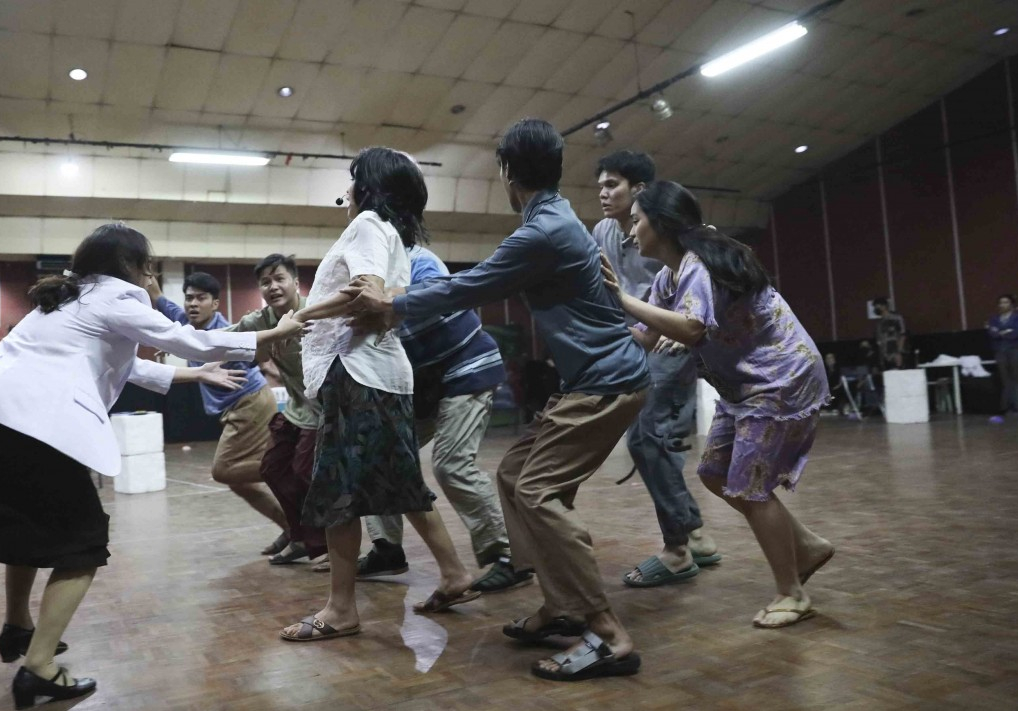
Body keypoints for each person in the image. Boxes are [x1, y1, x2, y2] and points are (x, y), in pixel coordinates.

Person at [0, 223, 303, 708]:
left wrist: (198, 373)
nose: (152, 274)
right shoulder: (117, 297)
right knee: (82, 544)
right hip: (32, 420)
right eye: (148, 265)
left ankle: (18, 628)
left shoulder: (71, 298)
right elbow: (185, 338)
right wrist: (276, 332)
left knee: (24, 525)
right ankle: (40, 668)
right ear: (133, 266)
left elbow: (128, 365)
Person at [345, 120, 651, 682]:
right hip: (592, 381)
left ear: (508, 172)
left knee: (536, 492)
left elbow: (474, 285)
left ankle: (608, 633)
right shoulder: (550, 222)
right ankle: (560, 605)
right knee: (513, 473)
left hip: (606, 383)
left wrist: (394, 300)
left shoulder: (543, 231)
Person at [604, 181, 835, 631]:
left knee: (750, 486)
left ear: (662, 222)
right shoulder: (668, 277)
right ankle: (805, 546)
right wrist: (593, 320)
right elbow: (648, 335)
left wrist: (620, 298)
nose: (630, 233)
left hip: (779, 380)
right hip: (744, 388)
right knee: (714, 474)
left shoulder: (697, 266)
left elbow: (689, 328)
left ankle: (793, 593)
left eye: (636, 221)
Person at [278, 147, 480, 643]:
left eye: (351, 181)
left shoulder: (368, 223)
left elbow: (365, 290)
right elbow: (380, 302)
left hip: (357, 374)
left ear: (368, 186)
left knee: (338, 493)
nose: (345, 192)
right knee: (400, 482)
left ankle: (340, 609)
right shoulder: (395, 235)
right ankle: (454, 573)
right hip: (381, 376)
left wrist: (301, 316)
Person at [356, 242, 532, 593]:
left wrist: (386, 301)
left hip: (466, 368)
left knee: (451, 464)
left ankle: (509, 557)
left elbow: (437, 295)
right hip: (423, 386)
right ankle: (387, 548)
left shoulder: (417, 259)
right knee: (377, 455)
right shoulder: (364, 276)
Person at [591, 149, 721, 589]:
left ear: (639, 190)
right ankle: (693, 534)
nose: (603, 193)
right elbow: (604, 291)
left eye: (612, 185)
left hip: (674, 337)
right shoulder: (605, 232)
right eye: (601, 186)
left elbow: (697, 290)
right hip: (637, 340)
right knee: (649, 438)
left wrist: (670, 326)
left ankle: (679, 548)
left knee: (649, 435)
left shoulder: (671, 232)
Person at [148, 272, 288, 554]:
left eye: (201, 298)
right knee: (238, 482)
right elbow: (158, 298)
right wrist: (146, 274)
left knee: (224, 470)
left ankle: (288, 470)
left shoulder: (226, 332)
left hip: (251, 403)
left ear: (215, 304)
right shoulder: (187, 322)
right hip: (236, 408)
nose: (193, 304)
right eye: (189, 298)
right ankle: (292, 528)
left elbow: (259, 354)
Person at [228, 253, 327, 565]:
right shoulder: (261, 321)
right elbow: (225, 338)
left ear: (296, 283)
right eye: (265, 282)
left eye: (279, 278)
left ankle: (324, 545)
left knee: (303, 471)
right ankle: (299, 538)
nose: (273, 286)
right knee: (272, 467)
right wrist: (179, 344)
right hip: (300, 407)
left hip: (328, 408)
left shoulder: (319, 310)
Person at [988, 293, 1018, 419]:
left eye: (1006, 302)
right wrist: (1005, 331)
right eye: (1001, 302)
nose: (1003, 305)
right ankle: (1008, 407)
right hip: (1001, 351)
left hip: (1017, 349)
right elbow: (992, 333)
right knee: (1006, 379)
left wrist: (1000, 332)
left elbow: (1016, 333)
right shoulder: (994, 319)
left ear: (1011, 304)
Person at [872, 298, 907, 370]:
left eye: (877, 306)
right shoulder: (879, 323)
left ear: (884, 306)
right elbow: (879, 341)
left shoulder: (896, 318)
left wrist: (899, 351)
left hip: (895, 351)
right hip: (885, 355)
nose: (875, 309)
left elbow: (903, 334)